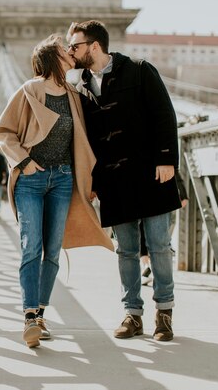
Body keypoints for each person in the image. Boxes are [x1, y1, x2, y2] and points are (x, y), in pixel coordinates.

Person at [0, 34, 113, 348]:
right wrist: (24, 162)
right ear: (52, 58)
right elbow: (3, 131)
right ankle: (30, 316)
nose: (71, 53)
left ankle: (41, 315)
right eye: (65, 50)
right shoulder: (28, 90)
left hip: (63, 180)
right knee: (31, 247)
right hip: (31, 180)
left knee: (53, 251)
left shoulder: (74, 95)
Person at [67, 20, 182, 341]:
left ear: (93, 46)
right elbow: (86, 139)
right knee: (126, 250)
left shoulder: (140, 69)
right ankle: (132, 314)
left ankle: (164, 314)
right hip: (113, 180)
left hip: (151, 172)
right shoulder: (81, 86)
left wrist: (166, 158)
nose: (70, 52)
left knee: (159, 246)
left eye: (74, 46)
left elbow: (164, 114)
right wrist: (90, 179)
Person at [141, 172, 189, 286]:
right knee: (160, 239)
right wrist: (184, 195)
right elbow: (174, 170)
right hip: (164, 197)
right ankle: (151, 269)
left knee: (142, 232)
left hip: (146, 196)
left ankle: (145, 267)